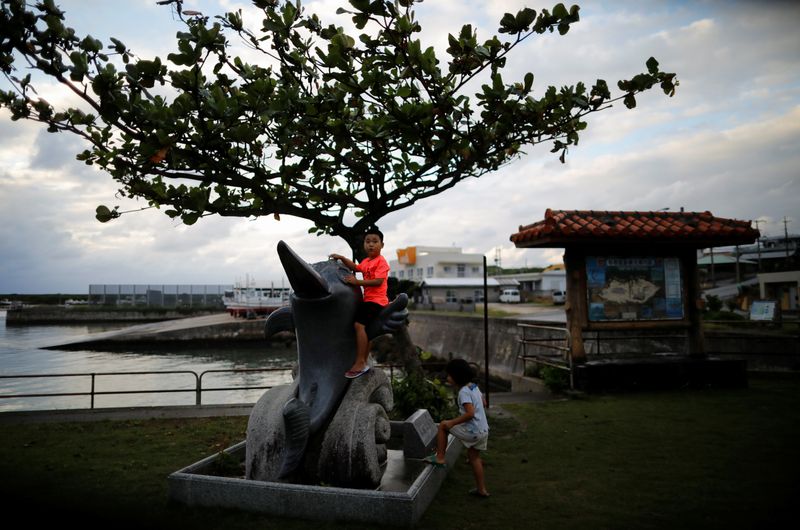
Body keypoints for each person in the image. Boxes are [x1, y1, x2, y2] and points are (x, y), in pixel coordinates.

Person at [329, 227, 390, 379]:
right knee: (365, 329)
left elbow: (378, 281)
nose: (371, 244)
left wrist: (357, 281)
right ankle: (363, 360)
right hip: (368, 300)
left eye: (375, 242)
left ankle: (360, 362)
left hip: (377, 301)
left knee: (358, 325)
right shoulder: (367, 261)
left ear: (382, 245)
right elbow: (356, 267)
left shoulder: (381, 262)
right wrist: (343, 258)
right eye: (368, 241)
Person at [424, 358, 490, 498]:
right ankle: (481, 489)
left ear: (457, 376)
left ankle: (440, 457)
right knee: (474, 458)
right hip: (483, 430)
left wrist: (452, 422)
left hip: (473, 431)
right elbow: (483, 403)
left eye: (449, 375)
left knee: (443, 425)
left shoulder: (464, 392)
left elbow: (470, 413)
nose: (447, 378)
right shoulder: (474, 386)